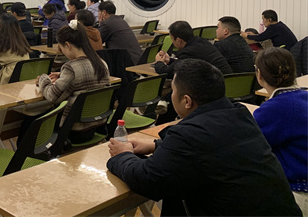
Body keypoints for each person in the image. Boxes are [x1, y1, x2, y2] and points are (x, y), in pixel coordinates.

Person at [107, 59, 301, 217]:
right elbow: (211, 149)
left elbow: (147, 181)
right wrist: (156, 146)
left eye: (173, 90)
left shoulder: (189, 135)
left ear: (187, 101)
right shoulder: (239, 114)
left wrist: (123, 155)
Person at [254, 48, 308, 213]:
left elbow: (252, 146)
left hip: (298, 191)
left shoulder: (274, 109)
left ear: (259, 74)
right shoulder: (303, 96)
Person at [37, 21, 109, 143]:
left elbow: (52, 96)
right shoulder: (101, 63)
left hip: (73, 130)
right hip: (96, 126)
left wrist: (43, 79)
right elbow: (83, 75)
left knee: (29, 122)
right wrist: (62, 75)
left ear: (67, 45)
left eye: (62, 48)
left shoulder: (71, 68)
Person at [155, 20, 233, 78]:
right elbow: (184, 63)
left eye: (172, 39)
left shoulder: (188, 52)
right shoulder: (201, 42)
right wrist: (169, 61)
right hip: (227, 82)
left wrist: (159, 62)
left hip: (217, 85)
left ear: (178, 40)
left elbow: (168, 73)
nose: (172, 42)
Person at [97, 1, 142, 65]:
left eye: (99, 12)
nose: (98, 14)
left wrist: (100, 23)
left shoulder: (107, 23)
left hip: (126, 61)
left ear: (104, 12)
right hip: (137, 58)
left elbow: (97, 39)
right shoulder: (121, 20)